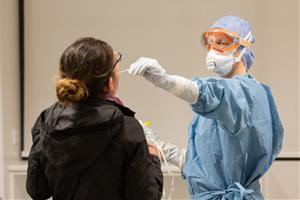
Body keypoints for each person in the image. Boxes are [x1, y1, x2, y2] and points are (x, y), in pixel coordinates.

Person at [129, 15, 284, 199]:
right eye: (210, 44)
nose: (213, 50)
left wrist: (165, 81)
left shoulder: (244, 94)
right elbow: (210, 160)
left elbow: (204, 93)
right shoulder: (224, 103)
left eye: (222, 43)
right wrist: (167, 150)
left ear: (242, 48)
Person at [26, 37, 163, 200]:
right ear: (110, 83)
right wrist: (153, 156)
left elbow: (37, 190)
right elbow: (147, 197)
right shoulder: (126, 128)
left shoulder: (46, 122)